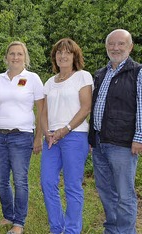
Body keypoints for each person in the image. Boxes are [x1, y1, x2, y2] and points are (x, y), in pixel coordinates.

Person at [89, 29, 141, 234]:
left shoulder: (138, 72)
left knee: (125, 194)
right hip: (100, 142)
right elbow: (95, 108)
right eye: (111, 44)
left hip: (124, 144)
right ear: (106, 47)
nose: (115, 48)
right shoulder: (100, 74)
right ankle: (112, 230)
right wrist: (92, 139)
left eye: (121, 44)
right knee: (106, 192)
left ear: (130, 47)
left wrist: (139, 137)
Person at [0, 41, 44, 234]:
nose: (15, 57)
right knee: (1, 179)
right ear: (6, 57)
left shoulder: (33, 79)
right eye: (12, 54)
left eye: (19, 54)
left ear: (25, 57)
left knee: (20, 180)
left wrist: (39, 137)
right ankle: (8, 216)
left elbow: (41, 110)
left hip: (22, 136)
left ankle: (18, 223)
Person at [39, 38, 92, 234]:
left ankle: (71, 230)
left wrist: (66, 129)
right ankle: (56, 227)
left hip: (74, 136)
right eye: (59, 52)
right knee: (47, 182)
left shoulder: (82, 77)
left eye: (67, 52)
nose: (63, 56)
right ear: (55, 57)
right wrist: (46, 132)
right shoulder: (49, 82)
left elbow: (86, 108)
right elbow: (44, 111)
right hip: (52, 139)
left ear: (74, 56)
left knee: (72, 186)